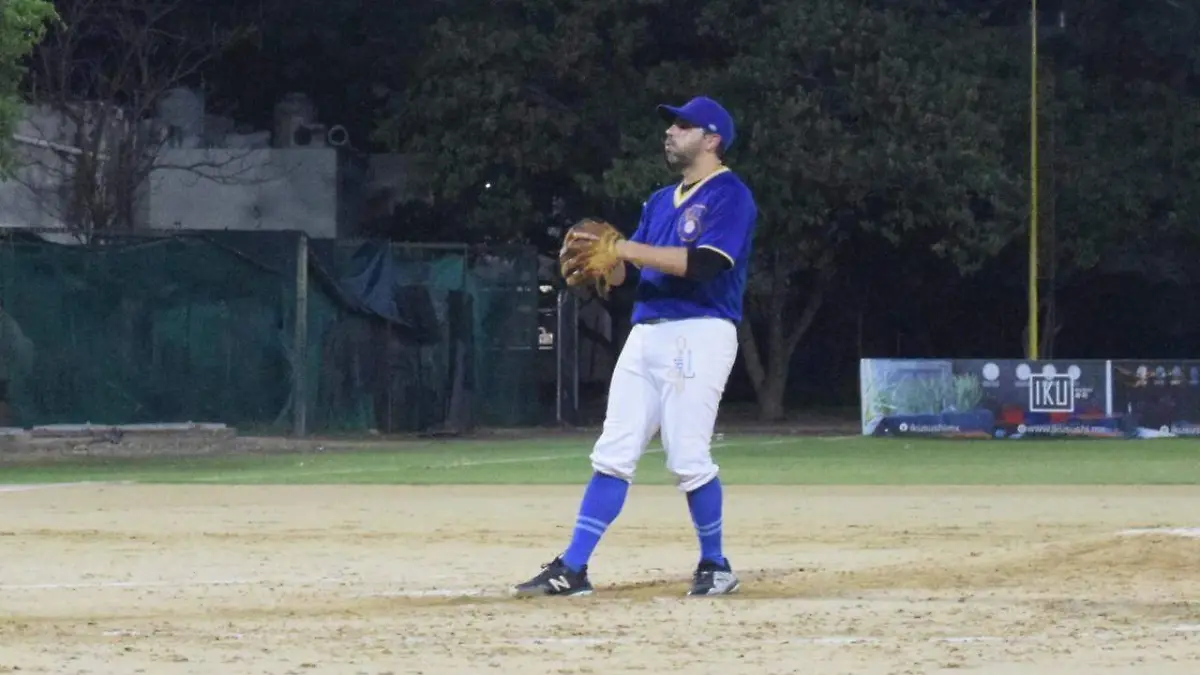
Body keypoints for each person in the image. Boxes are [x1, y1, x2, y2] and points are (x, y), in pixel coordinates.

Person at [512, 96, 758, 597]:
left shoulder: (730, 195)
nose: (670, 132)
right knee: (614, 452)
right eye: (672, 124)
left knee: (687, 457)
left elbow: (705, 264)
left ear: (712, 139)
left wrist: (623, 248)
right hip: (646, 333)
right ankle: (573, 568)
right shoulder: (659, 200)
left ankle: (715, 564)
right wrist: (604, 263)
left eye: (683, 125)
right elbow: (631, 272)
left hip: (700, 330)